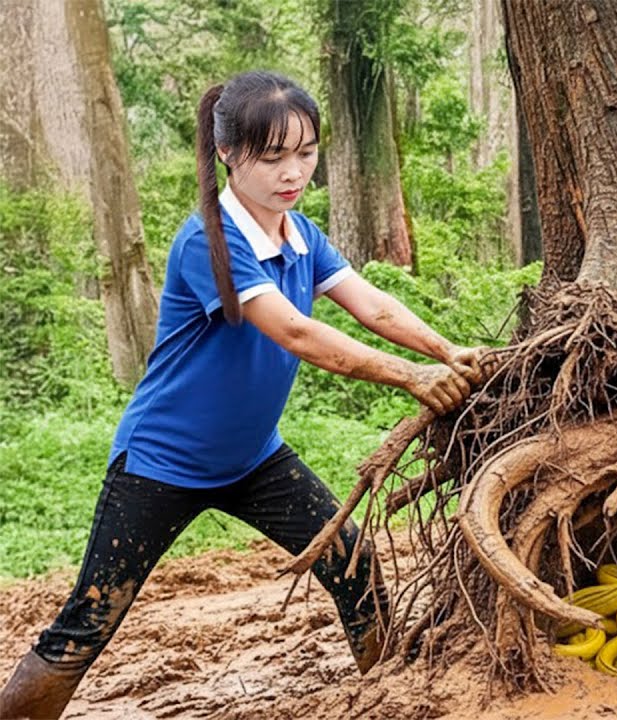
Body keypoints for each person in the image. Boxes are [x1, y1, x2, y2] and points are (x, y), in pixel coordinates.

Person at [0, 71, 482, 719]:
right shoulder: (209, 240)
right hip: (160, 466)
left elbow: (370, 303)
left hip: (256, 462)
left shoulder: (301, 234)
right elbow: (296, 331)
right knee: (87, 623)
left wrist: (444, 351)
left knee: (356, 567)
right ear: (228, 153)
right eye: (272, 155)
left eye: (306, 153)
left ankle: (388, 700)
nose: (293, 172)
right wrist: (411, 377)